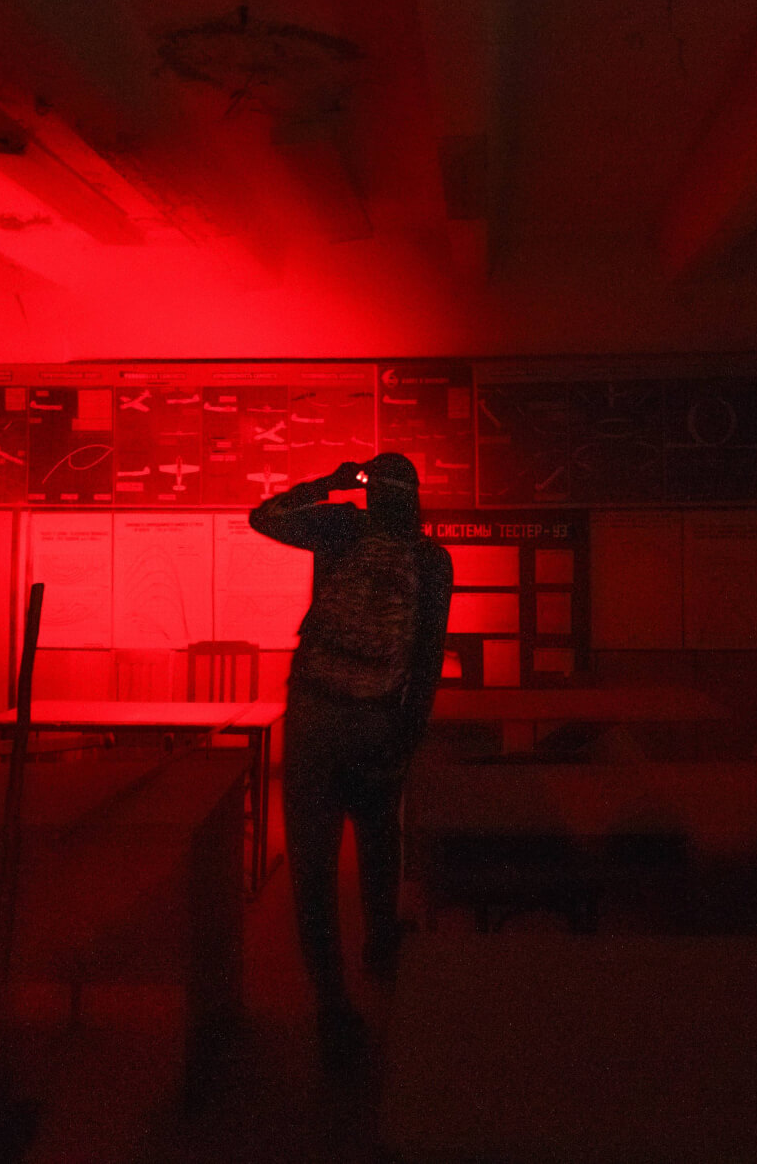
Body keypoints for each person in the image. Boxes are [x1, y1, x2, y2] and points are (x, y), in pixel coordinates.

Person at [249, 452, 453, 1068]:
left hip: (314, 712)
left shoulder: (339, 526)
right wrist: (406, 738)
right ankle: (382, 946)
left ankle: (332, 1008)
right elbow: (426, 662)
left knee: (312, 865)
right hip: (375, 717)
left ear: (369, 494)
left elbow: (263, 517)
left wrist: (330, 482)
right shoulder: (431, 560)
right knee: (377, 837)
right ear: (415, 498)